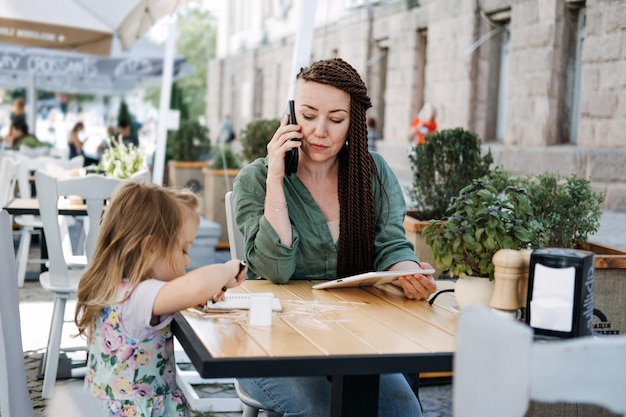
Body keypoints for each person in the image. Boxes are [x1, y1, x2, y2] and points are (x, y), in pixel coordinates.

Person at [232, 57, 436, 417]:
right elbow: (274, 270)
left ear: (353, 123)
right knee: (321, 409)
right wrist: (276, 178)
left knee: (403, 410)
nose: (320, 131)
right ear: (291, 115)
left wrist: (408, 273)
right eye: (308, 116)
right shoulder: (256, 179)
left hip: (351, 335)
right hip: (272, 338)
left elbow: (391, 244)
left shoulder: (371, 173)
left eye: (336, 119)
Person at [74, 181, 247, 416]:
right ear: (150, 248)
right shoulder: (141, 296)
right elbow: (196, 286)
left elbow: (189, 293)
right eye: (184, 250)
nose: (187, 261)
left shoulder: (114, 288)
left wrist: (201, 296)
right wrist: (227, 269)